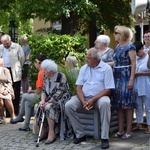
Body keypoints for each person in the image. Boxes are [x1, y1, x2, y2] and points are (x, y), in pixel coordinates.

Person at [65, 48, 115, 149]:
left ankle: (104, 137)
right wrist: (84, 102)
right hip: (84, 97)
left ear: (96, 59)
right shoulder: (84, 68)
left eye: (88, 58)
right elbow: (78, 87)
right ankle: (80, 134)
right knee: (69, 105)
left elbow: (108, 90)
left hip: (100, 97)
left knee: (105, 103)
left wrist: (93, 100)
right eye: (86, 57)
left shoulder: (106, 68)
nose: (86, 60)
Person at [35, 59, 73, 144]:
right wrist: (42, 101)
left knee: (48, 107)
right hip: (49, 99)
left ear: (51, 71)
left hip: (61, 99)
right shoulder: (45, 77)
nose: (43, 71)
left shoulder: (60, 76)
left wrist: (49, 102)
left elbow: (60, 91)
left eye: (45, 70)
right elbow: (44, 91)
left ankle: (51, 133)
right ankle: (43, 131)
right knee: (38, 106)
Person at [111, 25, 137, 139]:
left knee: (128, 105)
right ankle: (121, 130)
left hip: (126, 76)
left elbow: (134, 64)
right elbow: (115, 62)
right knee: (119, 106)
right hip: (117, 77)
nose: (114, 35)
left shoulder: (130, 46)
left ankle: (129, 130)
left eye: (116, 33)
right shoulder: (117, 47)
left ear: (121, 35)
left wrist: (131, 80)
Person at [10, 54, 47, 131]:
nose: (35, 63)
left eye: (36, 62)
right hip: (42, 94)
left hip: (43, 96)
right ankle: (26, 125)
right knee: (27, 103)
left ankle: (20, 116)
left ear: (40, 63)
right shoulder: (44, 71)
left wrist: (31, 91)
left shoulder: (41, 72)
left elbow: (39, 91)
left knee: (24, 96)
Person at [0, 34, 25, 115]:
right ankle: (7, 112)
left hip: (14, 71)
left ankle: (15, 111)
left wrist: (18, 67)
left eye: (7, 43)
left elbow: (22, 58)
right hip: (4, 71)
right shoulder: (1, 48)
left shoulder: (17, 47)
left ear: (10, 40)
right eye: (4, 43)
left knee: (16, 91)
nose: (6, 45)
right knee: (5, 91)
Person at [132, 41, 150, 134]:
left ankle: (149, 125)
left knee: (148, 106)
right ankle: (139, 123)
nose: (137, 54)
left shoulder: (148, 57)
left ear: (142, 49)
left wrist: (140, 73)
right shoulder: (136, 59)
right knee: (138, 106)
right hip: (137, 85)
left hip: (146, 84)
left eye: (138, 52)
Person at [0, 58, 15, 124]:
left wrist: (7, 90)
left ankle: (13, 116)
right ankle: (2, 117)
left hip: (6, 87)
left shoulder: (5, 70)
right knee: (0, 100)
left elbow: (10, 82)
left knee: (7, 99)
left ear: (2, 63)